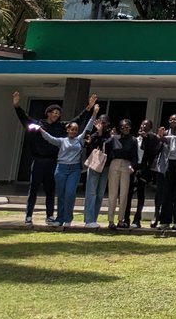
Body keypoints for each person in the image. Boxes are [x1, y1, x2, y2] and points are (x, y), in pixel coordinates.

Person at [11, 91, 96, 226]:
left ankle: (50, 215)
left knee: (50, 190)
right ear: (48, 113)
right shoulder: (39, 124)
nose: (56, 115)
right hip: (39, 161)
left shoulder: (62, 127)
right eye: (54, 112)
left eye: (58, 113)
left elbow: (77, 121)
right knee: (33, 189)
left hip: (53, 162)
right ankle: (28, 215)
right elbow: (24, 118)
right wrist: (17, 106)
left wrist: (88, 108)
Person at [28, 103, 100, 228]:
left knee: (70, 194)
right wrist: (40, 129)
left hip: (74, 169)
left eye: (75, 130)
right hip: (61, 169)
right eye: (71, 130)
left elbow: (88, 125)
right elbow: (49, 137)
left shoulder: (79, 139)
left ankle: (68, 218)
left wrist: (94, 113)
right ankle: (59, 218)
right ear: (67, 130)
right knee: (60, 194)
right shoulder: (61, 141)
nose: (73, 132)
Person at [103, 118, 139, 230]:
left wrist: (132, 166)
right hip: (115, 164)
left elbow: (135, 155)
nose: (125, 129)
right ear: (119, 128)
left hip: (126, 165)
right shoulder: (115, 138)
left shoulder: (133, 140)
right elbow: (104, 145)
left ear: (130, 127)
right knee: (112, 194)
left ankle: (120, 220)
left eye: (127, 127)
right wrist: (110, 135)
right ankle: (110, 221)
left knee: (124, 194)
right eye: (122, 127)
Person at [125, 119, 161, 228]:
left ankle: (137, 220)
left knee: (140, 194)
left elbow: (153, 152)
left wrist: (146, 138)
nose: (143, 126)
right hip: (133, 168)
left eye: (146, 125)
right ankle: (126, 219)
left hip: (144, 169)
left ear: (150, 128)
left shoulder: (152, 139)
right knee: (128, 194)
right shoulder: (134, 139)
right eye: (142, 124)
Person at [82, 114, 112, 227]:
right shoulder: (93, 135)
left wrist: (101, 135)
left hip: (106, 166)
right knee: (91, 192)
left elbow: (108, 146)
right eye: (100, 122)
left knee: (100, 193)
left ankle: (93, 218)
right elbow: (90, 149)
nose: (102, 125)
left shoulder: (111, 135)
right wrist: (98, 134)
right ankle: (89, 220)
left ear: (108, 123)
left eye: (104, 123)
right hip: (95, 165)